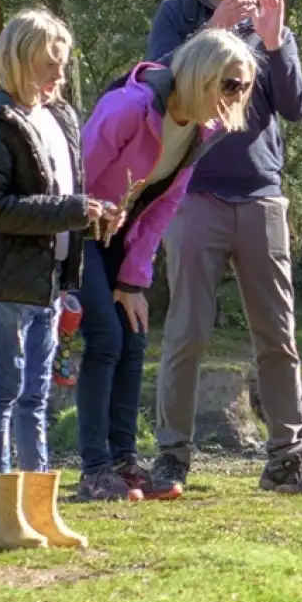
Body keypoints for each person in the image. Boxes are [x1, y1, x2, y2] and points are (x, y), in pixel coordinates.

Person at [145, 0, 302, 493]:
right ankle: (172, 455)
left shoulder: (273, 23)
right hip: (194, 193)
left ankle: (287, 453)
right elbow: (156, 86)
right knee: (187, 329)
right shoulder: (180, 13)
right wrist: (212, 32)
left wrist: (275, 42)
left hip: (262, 195)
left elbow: (297, 108)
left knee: (278, 333)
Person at [72, 28, 255, 502]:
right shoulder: (129, 108)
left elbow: (164, 207)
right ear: (200, 75)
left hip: (120, 236)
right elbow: (76, 183)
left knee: (132, 337)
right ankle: (94, 470)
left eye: (243, 87)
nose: (236, 96)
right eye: (229, 84)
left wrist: (134, 278)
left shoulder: (199, 128)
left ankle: (123, 462)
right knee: (106, 339)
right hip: (74, 229)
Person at [0, 7, 117, 551]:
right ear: (18, 60)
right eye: (50, 65)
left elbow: (62, 200)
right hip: (7, 282)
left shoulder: (61, 116)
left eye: (63, 66)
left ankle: (39, 514)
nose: (59, 77)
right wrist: (73, 209)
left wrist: (91, 216)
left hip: (50, 280)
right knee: (3, 392)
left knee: (35, 396)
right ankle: (3, 519)